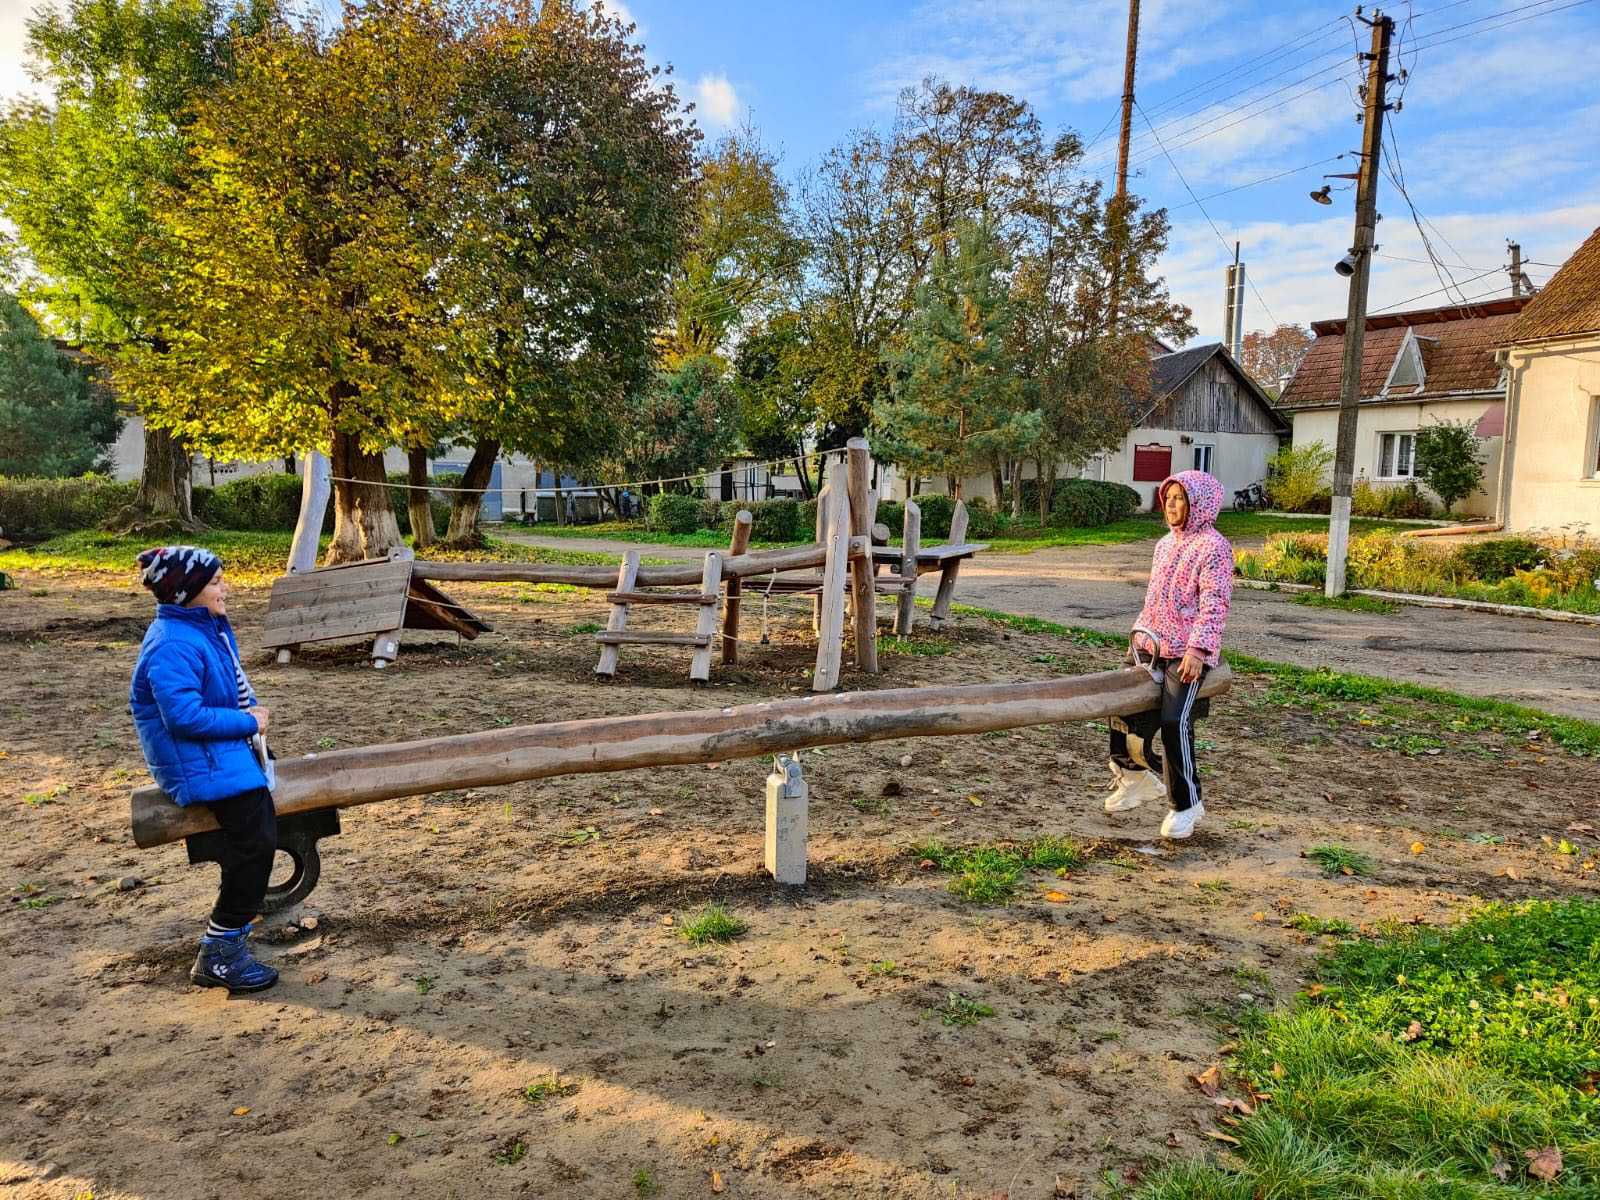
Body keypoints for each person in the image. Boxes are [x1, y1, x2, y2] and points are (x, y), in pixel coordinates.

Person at [129, 546, 279, 992]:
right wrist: (248, 721)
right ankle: (221, 951)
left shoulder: (201, 629)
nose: (225, 588)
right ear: (187, 591)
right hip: (199, 765)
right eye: (215, 582)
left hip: (216, 757)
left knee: (257, 836)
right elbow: (185, 717)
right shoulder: (173, 643)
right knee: (256, 843)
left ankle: (232, 933)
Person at [1103, 471, 1233, 839]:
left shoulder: (1213, 547)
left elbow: (1214, 603)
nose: (1171, 505)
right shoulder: (1164, 544)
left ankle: (1187, 803)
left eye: (1180, 499)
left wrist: (1198, 650)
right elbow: (1154, 600)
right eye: (1169, 497)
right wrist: (1136, 639)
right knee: (1117, 706)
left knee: (1175, 722)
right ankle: (1134, 777)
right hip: (1150, 645)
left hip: (1187, 652)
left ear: (1199, 505)